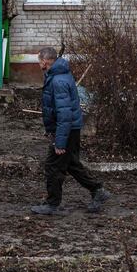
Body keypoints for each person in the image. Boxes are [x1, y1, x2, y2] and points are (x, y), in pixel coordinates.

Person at [31, 47, 110, 215]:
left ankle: (53, 204)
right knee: (71, 164)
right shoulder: (57, 75)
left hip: (66, 130)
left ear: (45, 61)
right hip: (69, 129)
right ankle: (98, 190)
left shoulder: (58, 81)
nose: (38, 64)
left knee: (53, 166)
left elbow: (64, 114)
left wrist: (60, 141)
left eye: (39, 61)